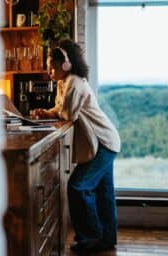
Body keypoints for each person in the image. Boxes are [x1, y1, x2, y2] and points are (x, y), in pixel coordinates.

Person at [31, 39, 121, 252]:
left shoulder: (75, 82)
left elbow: (69, 113)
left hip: (103, 142)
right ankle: (106, 239)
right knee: (103, 192)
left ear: (66, 65)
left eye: (51, 66)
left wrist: (54, 112)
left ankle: (91, 239)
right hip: (107, 140)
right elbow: (61, 108)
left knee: (78, 187)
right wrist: (47, 112)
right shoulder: (66, 82)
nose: (49, 71)